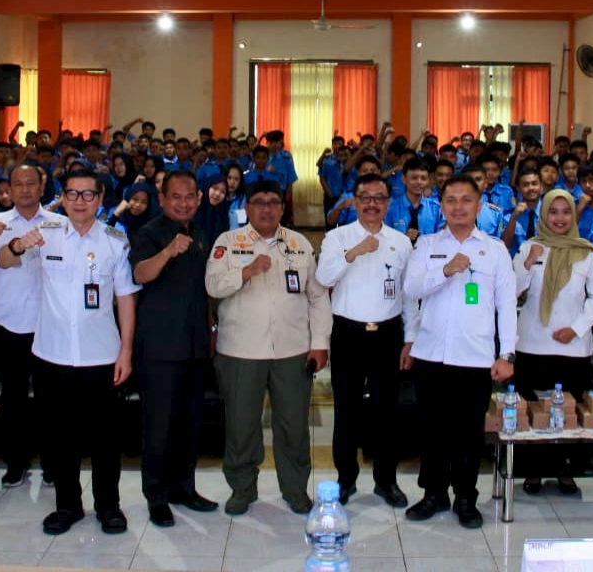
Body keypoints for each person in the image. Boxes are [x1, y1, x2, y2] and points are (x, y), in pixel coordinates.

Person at [0, 171, 138, 536]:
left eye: (88, 194)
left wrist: (125, 351)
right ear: (62, 197)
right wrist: (16, 246)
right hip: (52, 355)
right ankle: (68, 506)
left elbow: (125, 298)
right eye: (72, 194)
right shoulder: (45, 235)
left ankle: (109, 505)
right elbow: (3, 263)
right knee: (60, 439)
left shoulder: (115, 241)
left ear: (101, 197)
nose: (79, 201)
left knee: (106, 440)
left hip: (102, 356)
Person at [205, 180, 331, 516]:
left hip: (292, 350)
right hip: (240, 351)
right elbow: (213, 286)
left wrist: (319, 344)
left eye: (273, 202)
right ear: (247, 208)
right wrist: (246, 271)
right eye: (258, 202)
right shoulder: (228, 242)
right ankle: (242, 489)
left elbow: (317, 297)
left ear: (282, 207)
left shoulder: (299, 243)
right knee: (241, 425)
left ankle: (295, 490)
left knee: (293, 427)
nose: (266, 208)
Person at [403, 174, 515, 529]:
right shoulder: (428, 245)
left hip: (476, 357)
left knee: (468, 433)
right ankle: (433, 493)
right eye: (451, 200)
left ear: (479, 206)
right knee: (432, 429)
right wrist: (445, 270)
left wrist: (507, 354)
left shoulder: (494, 249)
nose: (458, 207)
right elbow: (411, 287)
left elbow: (506, 305)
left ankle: (466, 497)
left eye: (466, 200)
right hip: (431, 354)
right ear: (442, 205)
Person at [316, 174, 417, 508]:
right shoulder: (337, 237)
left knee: (386, 411)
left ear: (388, 203)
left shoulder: (401, 242)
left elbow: (409, 295)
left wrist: (410, 339)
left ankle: (386, 481)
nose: (372, 203)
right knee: (346, 411)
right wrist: (354, 252)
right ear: (355, 201)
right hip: (348, 333)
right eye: (365, 197)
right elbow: (323, 277)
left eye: (379, 197)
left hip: (388, 334)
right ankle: (346, 480)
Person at [129, 170, 219, 527]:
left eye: (190, 196)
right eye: (176, 197)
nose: (184, 203)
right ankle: (157, 496)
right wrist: (167, 251)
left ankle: (185, 488)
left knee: (190, 425)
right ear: (162, 199)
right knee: (158, 426)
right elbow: (140, 274)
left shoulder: (199, 234)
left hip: (195, 347)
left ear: (198, 199)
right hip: (159, 349)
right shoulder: (149, 233)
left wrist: (211, 330)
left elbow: (204, 290)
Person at [511, 189, 593, 495]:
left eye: (566, 212)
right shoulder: (529, 246)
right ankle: (534, 471)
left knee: (569, 412)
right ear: (543, 216)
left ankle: (566, 471)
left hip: (573, 347)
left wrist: (576, 329)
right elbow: (510, 291)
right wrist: (527, 265)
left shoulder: (586, 252)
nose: (560, 218)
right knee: (533, 411)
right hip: (533, 344)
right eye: (553, 212)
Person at [0, 165, 52, 487]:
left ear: (42, 186)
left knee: (50, 401)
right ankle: (16, 464)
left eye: (32, 182)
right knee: (14, 400)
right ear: (10, 189)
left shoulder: (57, 224)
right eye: (19, 184)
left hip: (48, 325)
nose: (26, 189)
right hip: (9, 323)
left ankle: (52, 464)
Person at [385, 157, 442, 245]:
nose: (419, 182)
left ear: (428, 181)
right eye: (414, 178)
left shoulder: (436, 208)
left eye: (423, 178)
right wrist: (402, 239)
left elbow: (441, 240)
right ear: (404, 179)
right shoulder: (390, 209)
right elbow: (385, 241)